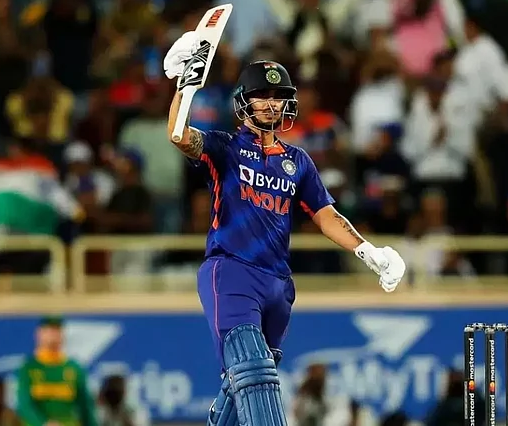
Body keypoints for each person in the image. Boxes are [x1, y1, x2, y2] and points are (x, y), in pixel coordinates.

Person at [162, 32, 406, 426]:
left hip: (278, 283)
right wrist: (185, 85)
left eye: (278, 96)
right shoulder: (226, 148)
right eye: (262, 95)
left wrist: (368, 251)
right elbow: (179, 135)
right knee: (254, 372)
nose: (272, 103)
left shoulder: (298, 161)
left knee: (240, 385)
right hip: (232, 271)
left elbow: (326, 215)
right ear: (244, 101)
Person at [15, 317, 97, 426]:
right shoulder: (28, 368)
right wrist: (43, 423)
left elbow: (85, 407)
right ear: (39, 334)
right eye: (49, 330)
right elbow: (24, 405)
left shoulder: (73, 369)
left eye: (57, 330)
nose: (53, 335)